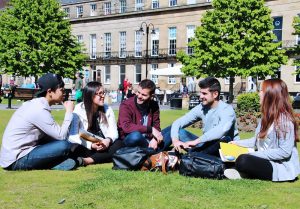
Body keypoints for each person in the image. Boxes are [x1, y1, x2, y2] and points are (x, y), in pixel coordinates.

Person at [224, 79, 300, 181]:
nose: (259, 93)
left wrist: (253, 155)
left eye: (262, 91)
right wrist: (236, 143)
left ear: (271, 95)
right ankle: (241, 171)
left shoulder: (285, 122)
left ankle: (242, 172)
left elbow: (284, 152)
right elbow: (255, 141)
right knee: (226, 143)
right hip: (262, 158)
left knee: (243, 160)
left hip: (277, 165)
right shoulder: (266, 118)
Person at [0, 73, 76, 171]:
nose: (64, 93)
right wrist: (69, 112)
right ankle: (53, 163)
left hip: (20, 153)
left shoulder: (38, 105)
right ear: (50, 92)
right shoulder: (39, 109)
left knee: (66, 144)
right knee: (64, 145)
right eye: (61, 90)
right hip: (16, 160)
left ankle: (54, 162)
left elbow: (54, 135)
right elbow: (61, 136)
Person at [162, 77, 239, 155]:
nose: (201, 96)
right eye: (201, 93)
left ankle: (194, 154)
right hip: (205, 145)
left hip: (225, 149)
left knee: (223, 140)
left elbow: (221, 130)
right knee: (175, 130)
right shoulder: (201, 107)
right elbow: (177, 122)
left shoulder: (226, 109)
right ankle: (153, 153)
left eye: (204, 93)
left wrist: (196, 142)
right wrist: (175, 140)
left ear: (215, 94)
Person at [68, 81, 122, 165]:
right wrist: (91, 145)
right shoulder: (78, 110)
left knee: (119, 144)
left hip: (103, 144)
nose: (103, 96)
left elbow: (114, 132)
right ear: (90, 95)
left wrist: (108, 140)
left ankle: (87, 161)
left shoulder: (107, 109)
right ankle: (101, 157)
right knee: (73, 147)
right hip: (86, 145)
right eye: (100, 94)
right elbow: (73, 136)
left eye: (103, 93)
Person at [117, 79, 163, 150]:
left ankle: (150, 150)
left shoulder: (154, 105)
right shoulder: (126, 105)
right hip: (130, 139)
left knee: (174, 130)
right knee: (136, 135)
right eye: (138, 92)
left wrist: (155, 139)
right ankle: (152, 150)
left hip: (149, 139)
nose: (139, 96)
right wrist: (150, 129)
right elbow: (126, 127)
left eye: (144, 95)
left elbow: (157, 127)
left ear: (151, 96)